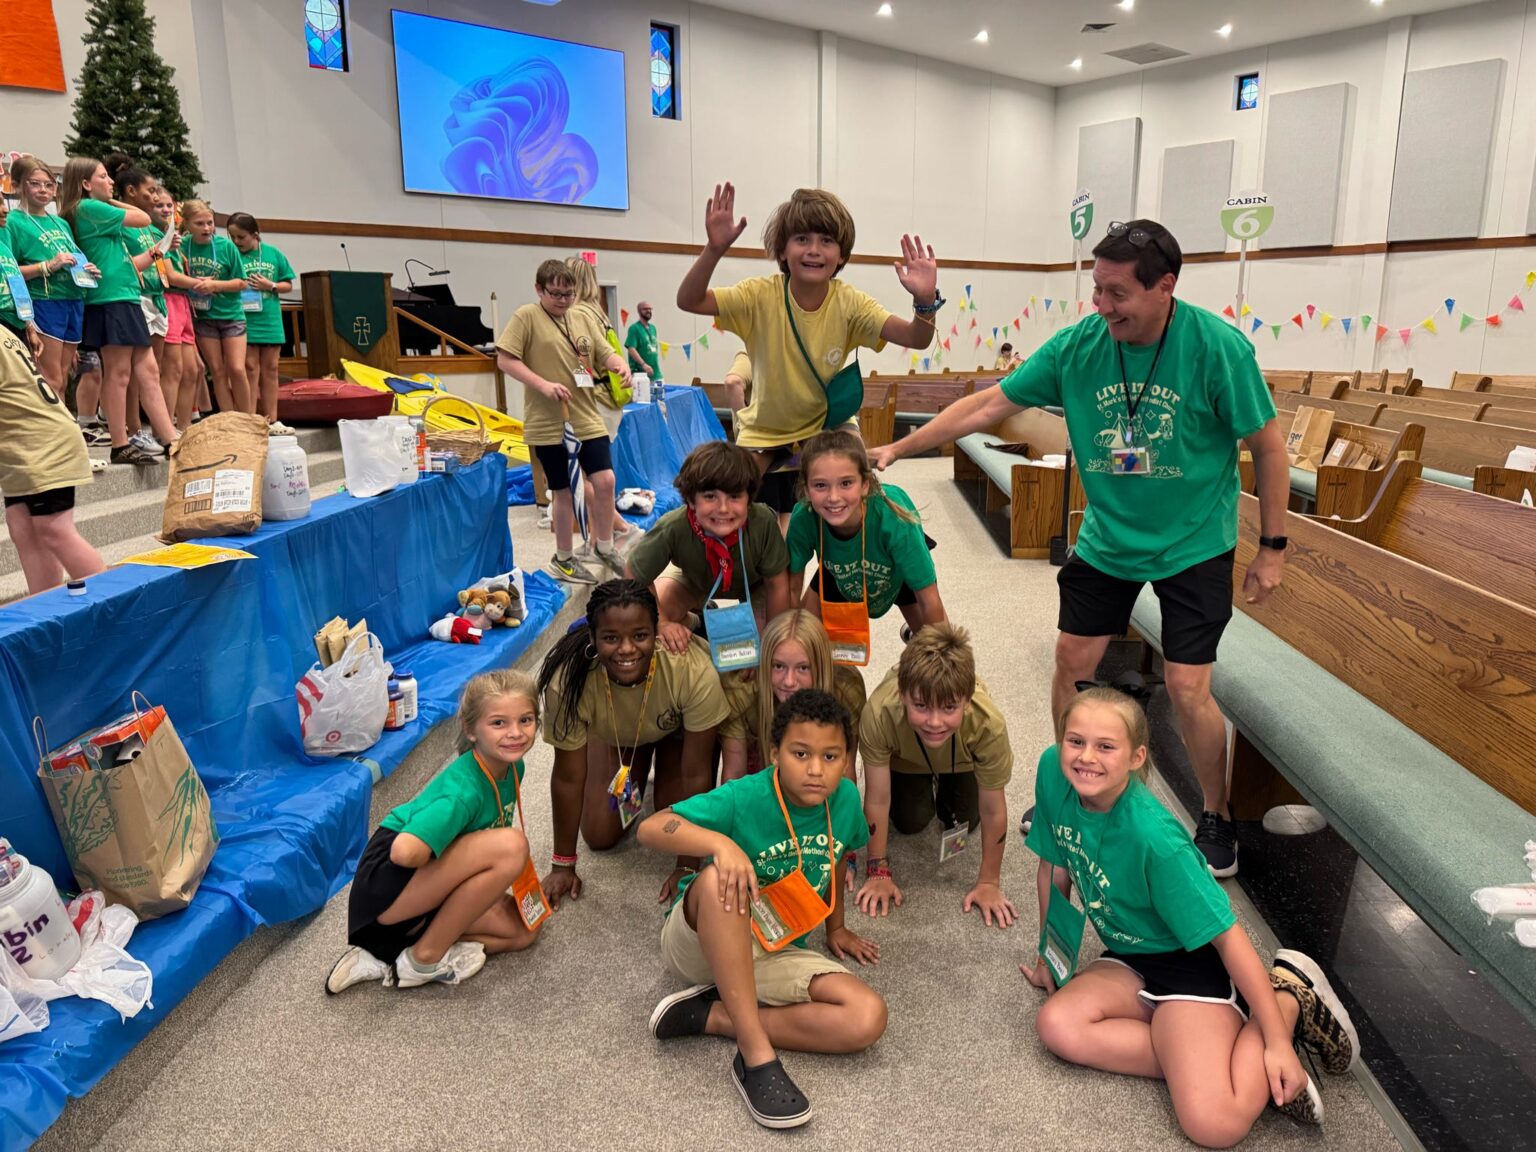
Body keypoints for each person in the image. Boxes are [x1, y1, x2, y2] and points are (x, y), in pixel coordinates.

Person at [870, 219, 1287, 878]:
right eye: (1097, 289)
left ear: (1165, 287)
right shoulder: (1079, 347)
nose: (1102, 305)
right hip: (1109, 538)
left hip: (1194, 542)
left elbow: (1267, 446)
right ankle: (1071, 789)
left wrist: (1273, 546)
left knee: (1187, 687)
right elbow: (985, 406)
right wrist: (899, 446)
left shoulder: (1217, 348)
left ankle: (1215, 812)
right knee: (1071, 660)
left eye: (1118, 293)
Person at [1023, 686, 1359, 1144]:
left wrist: (1278, 1045)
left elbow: (1227, 936)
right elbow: (1055, 867)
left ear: (1137, 757)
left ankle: (1288, 1001)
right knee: (1056, 1025)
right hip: (1129, 954)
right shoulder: (1053, 770)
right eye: (1075, 741)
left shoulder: (1157, 840)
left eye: (1106, 747)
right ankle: (1207, 1061)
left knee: (1213, 1124)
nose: (1086, 758)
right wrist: (1051, 956)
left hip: (1193, 967)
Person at [639, 688, 884, 1131]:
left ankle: (715, 1016)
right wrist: (720, 844)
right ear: (774, 754)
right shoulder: (745, 796)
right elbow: (653, 828)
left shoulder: (846, 800)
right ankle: (755, 1057)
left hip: (775, 947)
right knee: (719, 879)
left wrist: (837, 927)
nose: (816, 769)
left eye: (831, 757)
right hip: (703, 942)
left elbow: (837, 855)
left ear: (848, 760)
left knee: (867, 1017)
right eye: (800, 754)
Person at [676, 183, 941, 518]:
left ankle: (856, 547)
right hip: (766, 429)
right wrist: (714, 250)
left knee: (860, 490)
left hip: (829, 423)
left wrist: (925, 300)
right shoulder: (758, 296)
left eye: (826, 241)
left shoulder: (850, 303)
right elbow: (689, 300)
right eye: (802, 239)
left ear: (841, 255)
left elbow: (917, 338)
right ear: (782, 251)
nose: (814, 250)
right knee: (731, 497)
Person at [326, 669, 546, 994]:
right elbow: (404, 851)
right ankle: (422, 960)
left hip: (426, 890)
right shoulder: (462, 792)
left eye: (525, 720)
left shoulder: (514, 767)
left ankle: (392, 953)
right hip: (387, 889)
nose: (515, 733)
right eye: (499, 723)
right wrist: (450, 876)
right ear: (470, 729)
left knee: (525, 930)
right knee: (511, 846)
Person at [537, 579, 729, 907]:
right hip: (620, 738)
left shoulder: (692, 669)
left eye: (640, 636)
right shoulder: (567, 681)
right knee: (600, 832)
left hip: (677, 734)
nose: (626, 649)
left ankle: (700, 617)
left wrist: (687, 865)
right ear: (592, 637)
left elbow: (696, 773)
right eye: (611, 638)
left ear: (657, 632)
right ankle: (636, 769)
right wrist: (562, 864)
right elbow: (568, 777)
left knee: (671, 815)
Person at [856, 623, 1016, 929]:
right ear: (902, 695)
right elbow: (877, 797)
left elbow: (993, 809)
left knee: (966, 820)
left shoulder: (988, 725)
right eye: (921, 705)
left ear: (967, 700)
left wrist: (989, 882)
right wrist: (877, 870)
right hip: (905, 759)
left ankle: (942, 779)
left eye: (949, 707)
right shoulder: (879, 713)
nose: (934, 721)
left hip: (962, 760)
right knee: (910, 821)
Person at [496, 258, 631, 584]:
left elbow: (604, 351)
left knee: (605, 481)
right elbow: (505, 359)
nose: (562, 300)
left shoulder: (581, 317)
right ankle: (564, 557)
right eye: (555, 293)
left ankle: (603, 545)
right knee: (564, 491)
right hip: (549, 422)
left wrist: (619, 365)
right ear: (539, 289)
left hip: (586, 415)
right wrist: (543, 385)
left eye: (568, 294)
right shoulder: (527, 317)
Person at [57, 156, 178, 466]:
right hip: (110, 298)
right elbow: (143, 217)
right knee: (119, 372)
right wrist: (111, 200)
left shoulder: (96, 210)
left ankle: (171, 439)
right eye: (103, 177)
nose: (111, 181)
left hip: (125, 294)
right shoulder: (89, 207)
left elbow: (129, 260)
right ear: (86, 184)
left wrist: (156, 251)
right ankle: (120, 443)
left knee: (148, 370)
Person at [624, 441, 792, 656]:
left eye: (734, 496)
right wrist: (661, 623)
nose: (723, 508)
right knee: (651, 620)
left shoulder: (762, 522)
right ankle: (693, 622)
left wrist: (773, 641)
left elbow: (777, 585)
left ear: (749, 498)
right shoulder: (673, 526)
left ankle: (718, 627)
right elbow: (634, 575)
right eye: (710, 496)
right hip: (695, 582)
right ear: (691, 500)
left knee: (758, 647)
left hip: (751, 588)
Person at [787, 428, 945, 643]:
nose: (833, 497)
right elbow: (791, 587)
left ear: (864, 484)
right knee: (804, 641)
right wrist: (789, 641)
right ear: (806, 490)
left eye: (846, 483)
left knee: (939, 641)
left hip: (897, 572)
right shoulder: (804, 517)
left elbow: (929, 600)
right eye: (820, 485)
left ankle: (913, 633)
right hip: (840, 572)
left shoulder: (893, 518)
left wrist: (939, 650)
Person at [0, 324, 105, 595]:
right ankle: (45, 607)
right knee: (21, 526)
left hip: (43, 443)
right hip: (23, 447)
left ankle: (115, 607)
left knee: (53, 528)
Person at [719, 609, 867, 782]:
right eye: (778, 666)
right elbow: (734, 776)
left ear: (820, 666)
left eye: (803, 668)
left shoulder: (846, 692)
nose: (789, 681)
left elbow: (844, 775)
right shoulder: (742, 691)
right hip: (761, 786)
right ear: (765, 663)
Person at [7, 158, 95, 422]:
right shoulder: (13, 222)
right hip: (44, 302)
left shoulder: (61, 223)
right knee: (50, 378)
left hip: (73, 299)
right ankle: (56, 435)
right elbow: (8, 270)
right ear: (17, 185)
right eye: (35, 184)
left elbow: (73, 259)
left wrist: (88, 269)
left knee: (63, 377)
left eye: (49, 184)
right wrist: (46, 266)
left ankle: (63, 432)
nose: (43, 190)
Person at [563, 255, 634, 549]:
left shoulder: (578, 314)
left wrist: (578, 392)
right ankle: (604, 533)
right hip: (610, 401)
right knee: (594, 474)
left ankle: (613, 527)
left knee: (583, 475)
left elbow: (582, 363)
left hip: (595, 401)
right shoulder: (599, 312)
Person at [113, 165, 175, 457]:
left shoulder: (151, 228)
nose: (155, 196)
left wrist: (168, 245)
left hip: (157, 297)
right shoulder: (121, 223)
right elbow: (127, 261)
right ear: (130, 192)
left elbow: (159, 261)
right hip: (135, 297)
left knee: (152, 368)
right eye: (150, 191)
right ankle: (134, 429)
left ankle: (159, 429)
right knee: (133, 369)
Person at [178, 199, 252, 415]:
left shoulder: (226, 246)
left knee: (236, 368)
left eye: (210, 223)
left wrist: (215, 285)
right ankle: (229, 419)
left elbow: (242, 282)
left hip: (231, 316)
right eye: (200, 224)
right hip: (204, 317)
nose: (206, 228)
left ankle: (247, 418)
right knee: (217, 371)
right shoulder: (182, 246)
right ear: (187, 224)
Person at [225, 213, 296, 432]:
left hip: (270, 319)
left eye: (241, 237)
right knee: (250, 368)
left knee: (271, 368)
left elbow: (288, 285)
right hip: (243, 319)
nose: (236, 241)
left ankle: (272, 420)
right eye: (232, 237)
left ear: (255, 235)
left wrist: (270, 285)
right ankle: (251, 418)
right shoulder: (231, 254)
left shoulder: (273, 254)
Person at [154, 188, 199, 430]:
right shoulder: (155, 237)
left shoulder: (175, 239)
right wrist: (202, 283)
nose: (165, 210)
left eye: (169, 205)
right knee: (172, 369)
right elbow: (170, 276)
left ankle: (184, 427)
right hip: (168, 300)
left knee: (191, 370)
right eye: (159, 205)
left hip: (184, 304)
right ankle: (166, 429)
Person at [623, 298, 662, 381]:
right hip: (640, 375)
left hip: (656, 374)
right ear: (639, 311)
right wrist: (644, 365)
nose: (648, 311)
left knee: (660, 389)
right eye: (645, 309)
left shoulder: (653, 328)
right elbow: (631, 349)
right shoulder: (634, 328)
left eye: (650, 309)